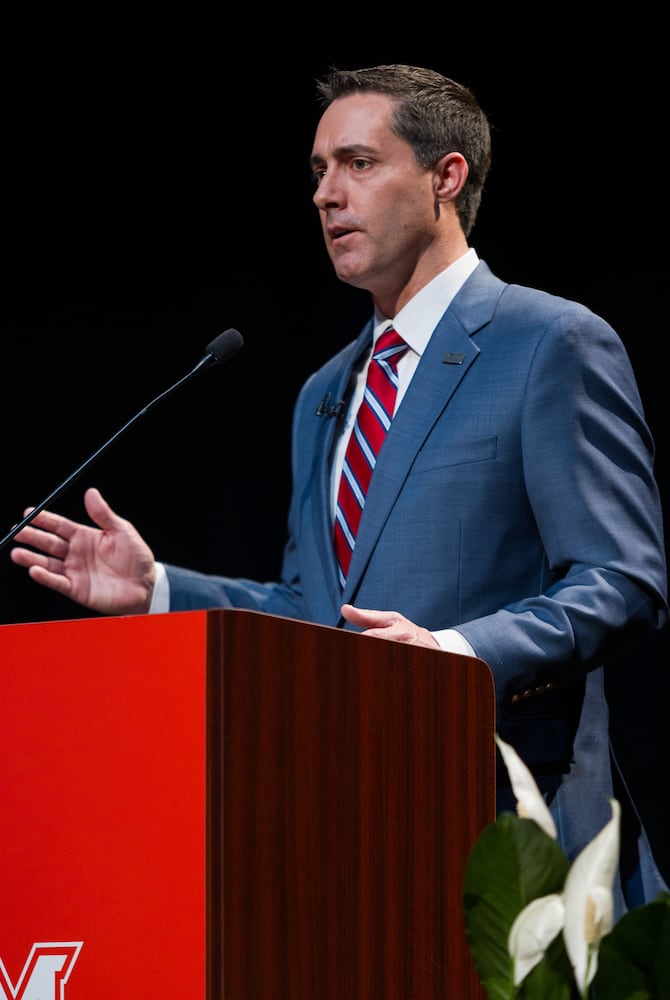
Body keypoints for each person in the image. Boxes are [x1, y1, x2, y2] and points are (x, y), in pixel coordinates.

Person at [10, 64, 668, 915]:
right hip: (349, 841)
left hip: (511, 834)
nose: (326, 195)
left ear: (446, 178)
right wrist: (161, 590)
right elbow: (317, 611)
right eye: (318, 171)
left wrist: (454, 658)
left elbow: (622, 582)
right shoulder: (325, 391)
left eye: (358, 164)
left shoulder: (550, 344)